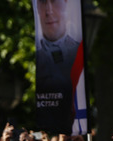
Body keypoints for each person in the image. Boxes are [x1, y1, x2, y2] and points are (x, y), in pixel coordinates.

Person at [34, 0, 82, 133]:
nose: (48, 11)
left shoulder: (79, 53)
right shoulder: (37, 58)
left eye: (54, 1)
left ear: (66, 3)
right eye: (43, 2)